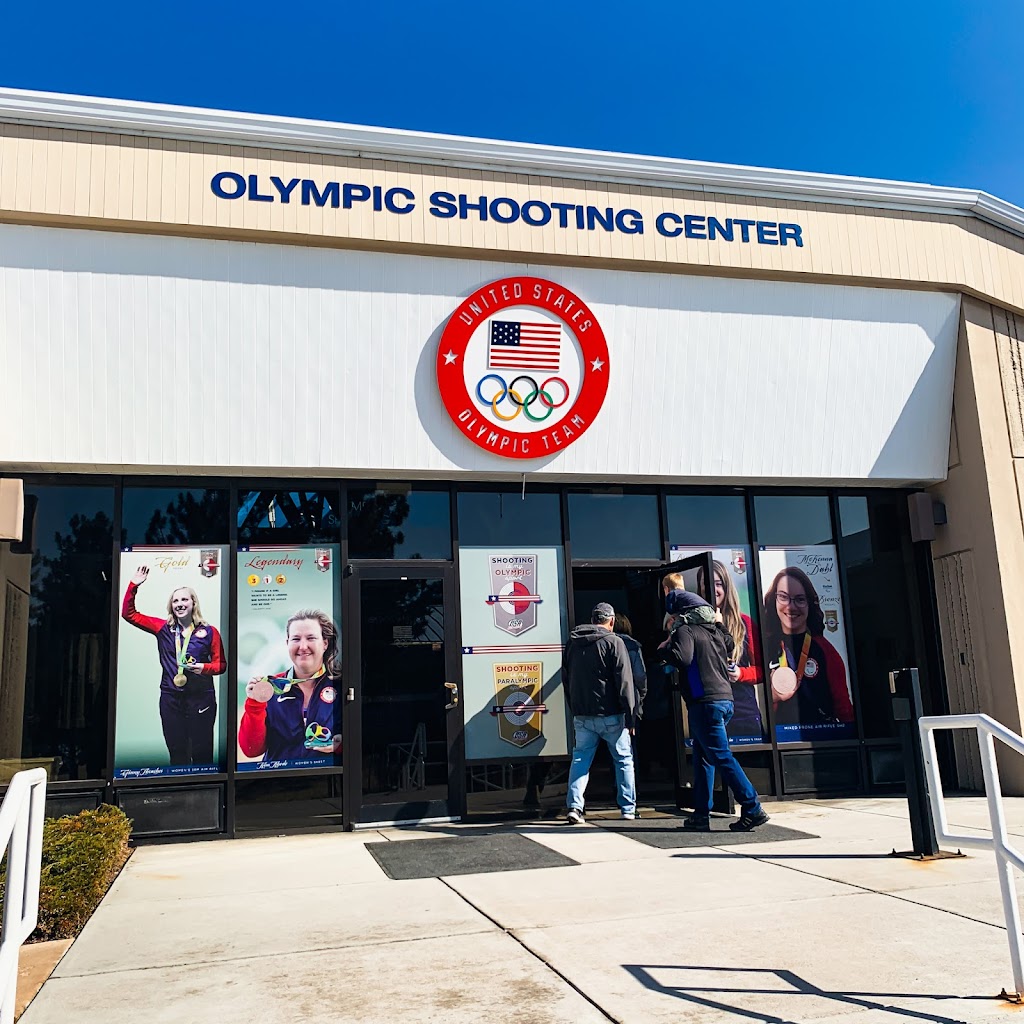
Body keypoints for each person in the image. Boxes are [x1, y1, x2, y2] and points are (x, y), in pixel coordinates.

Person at [658, 583, 769, 832]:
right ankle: (700, 813)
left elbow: (683, 658)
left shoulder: (685, 631)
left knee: (720, 756)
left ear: (682, 613)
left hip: (704, 703)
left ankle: (752, 808)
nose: (672, 619)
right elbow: (729, 644)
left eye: (673, 614)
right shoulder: (715, 631)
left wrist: (665, 650)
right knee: (703, 758)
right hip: (724, 700)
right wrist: (718, 623)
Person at [121, 565, 226, 766]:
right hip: (171, 699)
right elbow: (129, 614)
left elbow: (221, 665)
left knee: (202, 752)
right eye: (175, 600)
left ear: (193, 603)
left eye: (184, 599)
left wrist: (203, 668)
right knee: (177, 753)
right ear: (171, 606)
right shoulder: (163, 628)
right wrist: (134, 585)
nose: (179, 604)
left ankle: (204, 794)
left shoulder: (210, 632)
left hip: (201, 698)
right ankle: (180, 795)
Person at [562, 602, 636, 823]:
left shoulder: (572, 643)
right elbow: (625, 682)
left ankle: (575, 807)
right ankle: (628, 808)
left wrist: (573, 707)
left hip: (582, 714)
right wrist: (630, 715)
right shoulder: (614, 642)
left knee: (580, 760)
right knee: (623, 760)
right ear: (611, 621)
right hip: (611, 713)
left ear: (592, 619)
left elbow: (566, 679)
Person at [239, 609, 342, 765]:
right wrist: (255, 703)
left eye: (311, 638)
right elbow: (251, 750)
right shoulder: (271, 687)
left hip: (327, 781)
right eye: (295, 639)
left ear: (325, 643)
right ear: (287, 643)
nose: (302, 646)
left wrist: (341, 744)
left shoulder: (341, 686)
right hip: (280, 783)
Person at [762, 567, 854, 730]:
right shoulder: (763, 647)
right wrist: (771, 697)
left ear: (810, 604)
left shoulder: (825, 650)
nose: (791, 607)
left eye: (800, 599)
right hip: (776, 742)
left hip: (818, 741)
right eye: (783, 597)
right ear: (774, 600)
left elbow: (844, 709)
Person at [698, 561, 764, 739]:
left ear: (727, 587)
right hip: (708, 711)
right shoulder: (694, 625)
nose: (713, 589)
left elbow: (763, 670)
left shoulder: (745, 624)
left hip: (743, 715)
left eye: (718, 584)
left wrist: (741, 674)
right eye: (707, 583)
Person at [614, 612, 647, 721]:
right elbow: (639, 675)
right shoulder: (632, 646)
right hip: (630, 701)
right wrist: (641, 693)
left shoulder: (601, 644)